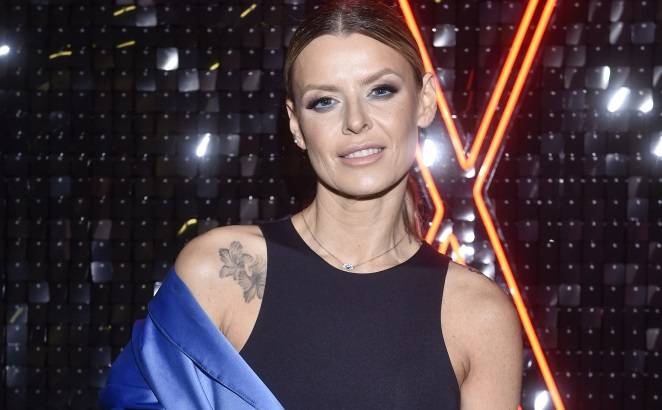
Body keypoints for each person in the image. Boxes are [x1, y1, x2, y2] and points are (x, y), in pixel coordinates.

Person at [99, 0, 523, 408]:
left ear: (425, 100)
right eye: (324, 101)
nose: (355, 121)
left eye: (380, 91)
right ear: (296, 125)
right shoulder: (221, 270)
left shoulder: (479, 314)